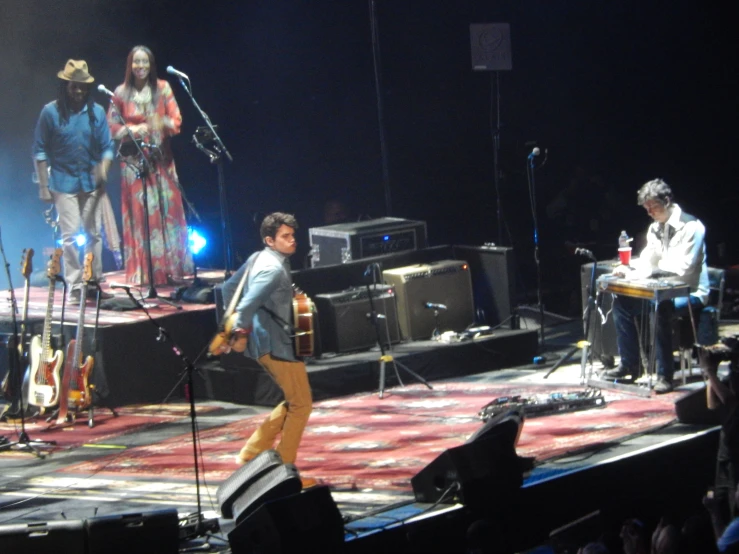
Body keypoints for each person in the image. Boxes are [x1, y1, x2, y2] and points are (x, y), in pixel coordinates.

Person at [219, 212, 316, 488]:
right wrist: (237, 333)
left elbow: (228, 289)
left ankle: (252, 451)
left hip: (268, 342)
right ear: (269, 240)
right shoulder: (271, 269)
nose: (292, 241)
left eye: (293, 235)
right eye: (286, 237)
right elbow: (247, 305)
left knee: (294, 399)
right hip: (276, 345)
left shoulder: (258, 257)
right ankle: (285, 471)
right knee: (301, 405)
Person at [602, 178, 709, 393]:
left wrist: (652, 268)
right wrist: (629, 267)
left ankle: (665, 375)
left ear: (667, 201)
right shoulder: (654, 229)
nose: (649, 212)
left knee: (661, 306)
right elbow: (648, 259)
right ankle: (630, 364)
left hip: (691, 292)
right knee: (622, 302)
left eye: (653, 207)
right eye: (646, 208)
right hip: (661, 290)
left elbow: (683, 268)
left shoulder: (692, 227)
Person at [106, 45, 192, 286]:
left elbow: (176, 121)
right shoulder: (120, 93)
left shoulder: (163, 88)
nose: (140, 67)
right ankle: (145, 271)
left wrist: (158, 121)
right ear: (130, 65)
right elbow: (110, 126)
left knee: (166, 212)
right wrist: (131, 129)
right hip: (134, 164)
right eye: (136, 62)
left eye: (144, 62)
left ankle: (171, 268)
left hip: (161, 160)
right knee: (142, 213)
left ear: (151, 65)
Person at [33, 59, 115, 304]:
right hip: (62, 181)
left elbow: (108, 147)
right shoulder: (50, 112)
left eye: (82, 87)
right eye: (73, 87)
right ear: (65, 86)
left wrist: (104, 168)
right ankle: (75, 286)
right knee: (70, 236)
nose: (78, 92)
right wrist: (43, 185)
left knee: (94, 234)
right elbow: (39, 151)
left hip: (90, 183)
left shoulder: (97, 113)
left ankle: (93, 282)